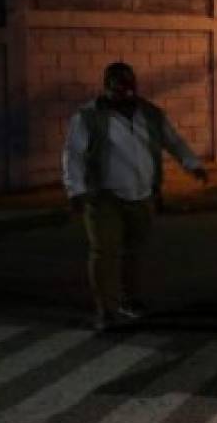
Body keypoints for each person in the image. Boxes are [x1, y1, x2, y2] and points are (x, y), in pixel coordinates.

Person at [62, 62, 208, 331]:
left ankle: (130, 301)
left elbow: (173, 141)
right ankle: (106, 310)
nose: (122, 93)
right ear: (106, 86)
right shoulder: (88, 117)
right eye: (116, 87)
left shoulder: (150, 114)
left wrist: (192, 165)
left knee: (134, 253)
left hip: (142, 196)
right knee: (104, 253)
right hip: (103, 197)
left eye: (127, 87)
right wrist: (76, 190)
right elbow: (74, 155)